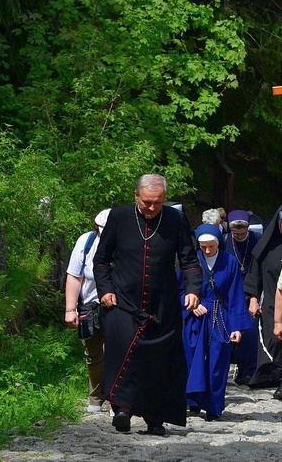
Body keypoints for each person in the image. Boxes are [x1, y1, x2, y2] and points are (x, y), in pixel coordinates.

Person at [93, 174, 202, 435]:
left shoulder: (175, 219)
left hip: (162, 304)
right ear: (136, 196)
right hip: (122, 301)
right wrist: (105, 290)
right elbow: (101, 260)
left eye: (157, 203)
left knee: (159, 360)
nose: (152, 208)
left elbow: (189, 260)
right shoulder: (119, 217)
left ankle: (156, 418)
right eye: (146, 203)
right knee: (124, 350)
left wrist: (193, 290)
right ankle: (122, 409)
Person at [182, 224, 252, 420]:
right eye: (203, 246)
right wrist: (191, 303)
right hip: (195, 318)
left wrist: (236, 327)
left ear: (218, 243)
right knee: (193, 359)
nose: (206, 250)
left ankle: (213, 406)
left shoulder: (229, 262)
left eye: (210, 246)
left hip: (220, 318)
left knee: (217, 363)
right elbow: (179, 289)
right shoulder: (192, 260)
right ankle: (192, 400)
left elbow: (236, 294)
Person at [244, 201, 282, 399]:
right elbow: (254, 275)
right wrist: (252, 298)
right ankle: (278, 375)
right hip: (270, 302)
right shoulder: (265, 247)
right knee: (276, 341)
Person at [64, 208, 111, 413]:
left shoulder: (127, 243)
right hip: (90, 306)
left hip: (118, 307)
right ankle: (95, 397)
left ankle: (115, 398)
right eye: (101, 229)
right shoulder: (86, 242)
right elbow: (74, 276)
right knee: (93, 354)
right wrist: (70, 309)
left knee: (116, 352)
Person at [225, 209, 260, 386]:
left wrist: (255, 297)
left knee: (250, 331)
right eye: (235, 233)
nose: (239, 236)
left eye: (242, 233)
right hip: (229, 291)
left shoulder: (256, 240)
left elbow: (260, 270)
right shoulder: (225, 241)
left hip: (251, 291)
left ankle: (248, 371)